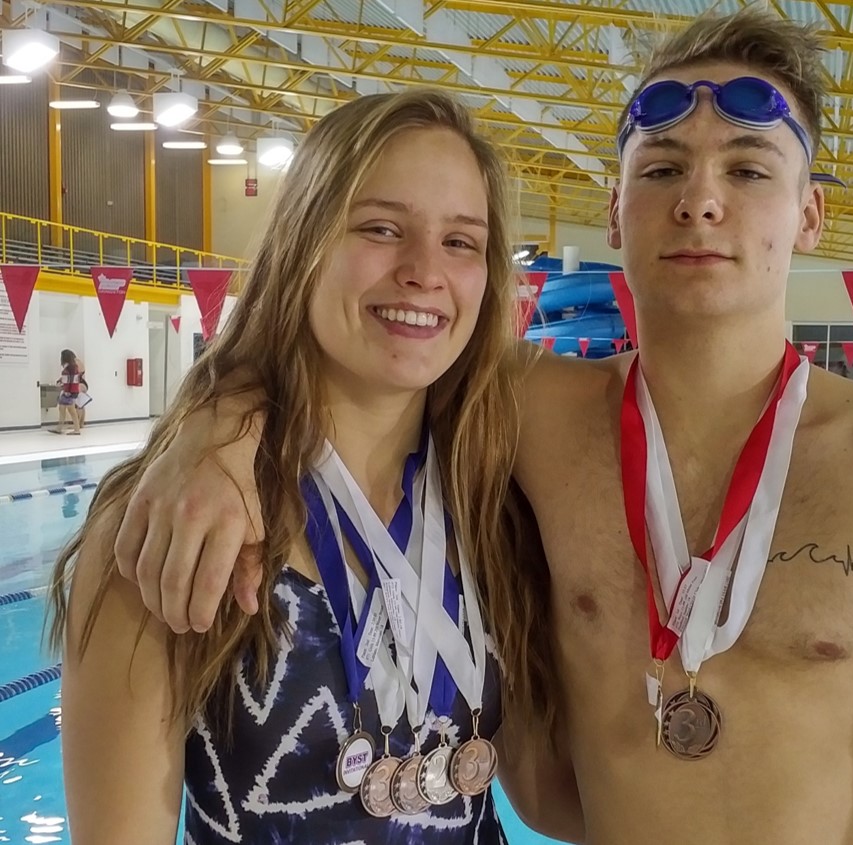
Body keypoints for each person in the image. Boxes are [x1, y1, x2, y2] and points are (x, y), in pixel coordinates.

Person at [112, 11, 853, 845]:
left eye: (749, 169)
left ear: (810, 213)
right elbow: (341, 353)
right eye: (663, 168)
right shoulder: (527, 409)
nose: (700, 199)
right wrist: (217, 429)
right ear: (616, 210)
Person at [48, 88, 576, 844]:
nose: (425, 271)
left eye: (461, 242)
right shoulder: (173, 524)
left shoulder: (492, 507)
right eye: (381, 228)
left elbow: (545, 798)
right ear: (303, 244)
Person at [52, 348, 82, 435]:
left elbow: (66, 382)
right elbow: (73, 380)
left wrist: (62, 386)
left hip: (68, 392)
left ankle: (76, 430)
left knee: (70, 410)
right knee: (63, 408)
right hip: (73, 391)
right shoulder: (74, 368)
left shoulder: (66, 370)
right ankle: (60, 428)